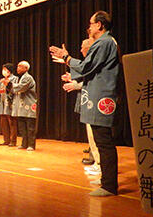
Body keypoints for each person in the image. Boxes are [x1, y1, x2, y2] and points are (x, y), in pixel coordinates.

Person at [50, 11, 119, 197]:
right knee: (100, 140)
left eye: (91, 23)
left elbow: (87, 67)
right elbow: (89, 69)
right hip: (97, 95)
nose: (89, 27)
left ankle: (110, 185)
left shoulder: (104, 42)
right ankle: (106, 179)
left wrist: (67, 57)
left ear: (99, 25)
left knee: (104, 142)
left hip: (101, 97)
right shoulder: (105, 42)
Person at [60, 37, 101, 179]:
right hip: (88, 103)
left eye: (83, 46)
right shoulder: (89, 63)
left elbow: (92, 81)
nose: (81, 49)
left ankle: (100, 166)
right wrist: (72, 78)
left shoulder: (94, 61)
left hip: (95, 103)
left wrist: (75, 84)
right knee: (91, 136)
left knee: (97, 137)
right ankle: (97, 163)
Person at [7, 61, 37, 151]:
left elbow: (21, 88)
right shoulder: (21, 78)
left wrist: (9, 84)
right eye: (17, 66)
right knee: (22, 127)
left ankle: (31, 145)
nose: (18, 68)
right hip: (21, 106)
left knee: (30, 127)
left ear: (26, 68)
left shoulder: (27, 77)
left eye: (20, 66)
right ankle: (24, 144)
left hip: (29, 105)